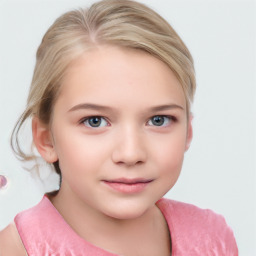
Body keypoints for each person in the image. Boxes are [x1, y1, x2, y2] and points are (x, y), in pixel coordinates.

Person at [0, 0, 238, 255]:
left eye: (158, 120)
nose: (131, 154)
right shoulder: (15, 249)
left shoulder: (212, 239)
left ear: (187, 132)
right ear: (46, 140)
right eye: (95, 121)